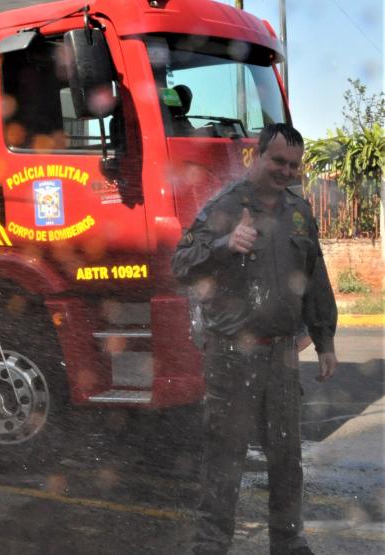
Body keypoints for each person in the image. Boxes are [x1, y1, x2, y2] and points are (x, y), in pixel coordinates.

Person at [172, 123, 337, 555]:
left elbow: (314, 280)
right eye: (278, 160)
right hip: (231, 357)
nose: (286, 171)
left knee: (286, 459)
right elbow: (182, 264)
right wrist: (226, 244)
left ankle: (288, 542)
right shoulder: (224, 208)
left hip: (281, 357)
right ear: (258, 156)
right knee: (224, 458)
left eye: (294, 165)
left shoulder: (299, 212)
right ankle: (211, 544)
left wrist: (325, 340)